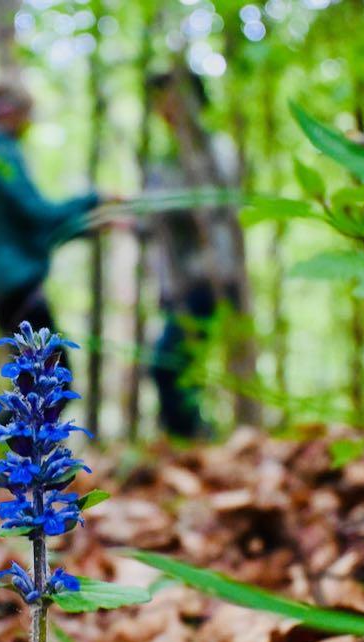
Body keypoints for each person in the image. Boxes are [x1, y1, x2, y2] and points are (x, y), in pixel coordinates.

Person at [141, 67, 252, 438]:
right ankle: (191, 440)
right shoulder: (166, 159)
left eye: (172, 96)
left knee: (169, 365)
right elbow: (151, 222)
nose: (164, 107)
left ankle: (194, 439)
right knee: (178, 367)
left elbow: (213, 205)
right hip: (178, 282)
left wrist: (155, 205)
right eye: (159, 99)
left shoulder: (215, 148)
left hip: (209, 277)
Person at [0, 76, 105, 339]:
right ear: (8, 112)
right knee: (52, 371)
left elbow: (24, 230)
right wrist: (95, 200)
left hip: (2, 285)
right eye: (26, 115)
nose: (28, 124)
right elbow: (37, 214)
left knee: (38, 370)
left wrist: (90, 226)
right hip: (17, 283)